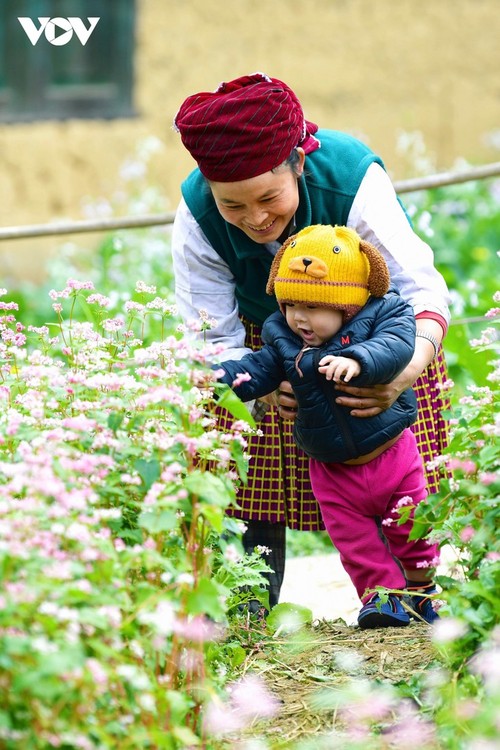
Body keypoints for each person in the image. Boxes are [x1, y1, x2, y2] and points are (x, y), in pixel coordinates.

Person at [171, 72, 451, 611]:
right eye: (233, 205)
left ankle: (415, 593)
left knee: (401, 477)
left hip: (384, 334)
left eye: (269, 197)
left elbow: (419, 289)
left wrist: (402, 372)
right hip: (272, 339)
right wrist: (262, 388)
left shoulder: (351, 180)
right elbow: (209, 333)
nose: (255, 219)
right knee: (254, 473)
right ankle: (250, 601)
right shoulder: (198, 215)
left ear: (298, 162)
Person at [208, 223, 439, 627]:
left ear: (346, 305)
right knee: (356, 544)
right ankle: (382, 598)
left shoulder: (382, 315)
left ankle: (422, 591)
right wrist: (218, 379)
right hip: (331, 471)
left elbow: (396, 346)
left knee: (412, 529)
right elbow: (256, 368)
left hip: (392, 456)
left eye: (314, 307)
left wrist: (359, 360)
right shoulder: (283, 337)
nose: (300, 318)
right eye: (292, 305)